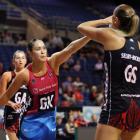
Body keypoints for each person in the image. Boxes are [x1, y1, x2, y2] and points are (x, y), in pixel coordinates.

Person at [0, 36, 90, 140]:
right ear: (30, 53)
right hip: (30, 125)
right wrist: (14, 103)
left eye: (44, 48)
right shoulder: (24, 75)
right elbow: (3, 99)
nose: (43, 51)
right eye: (38, 49)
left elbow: (70, 48)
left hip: (49, 124)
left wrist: (89, 36)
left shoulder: (53, 62)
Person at [77, 4, 140, 140]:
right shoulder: (138, 45)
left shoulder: (110, 35)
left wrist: (105, 21)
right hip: (136, 108)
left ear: (115, 20)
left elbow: (81, 27)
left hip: (116, 107)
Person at [0, 50, 28, 140]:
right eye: (18, 58)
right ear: (13, 61)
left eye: (23, 58)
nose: (20, 60)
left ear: (26, 61)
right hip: (11, 114)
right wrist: (12, 104)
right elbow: (1, 99)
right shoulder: (7, 75)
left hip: (26, 115)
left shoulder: (31, 77)